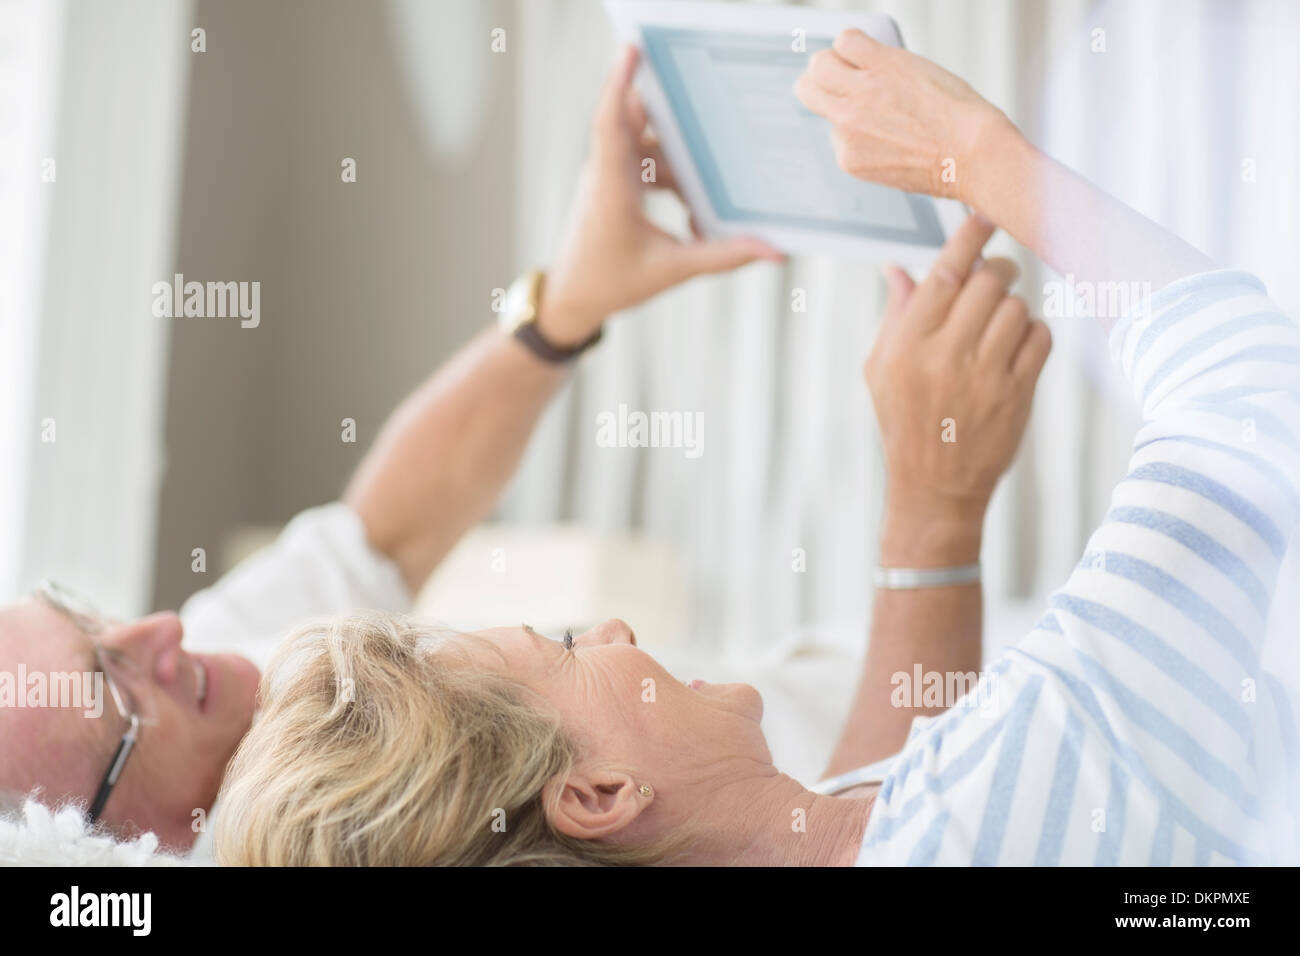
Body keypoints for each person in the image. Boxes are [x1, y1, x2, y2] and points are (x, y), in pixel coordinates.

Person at [214, 32, 1299, 866]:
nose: (617, 624)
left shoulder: (863, 823)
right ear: (597, 793)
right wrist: (980, 155)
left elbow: (886, 778)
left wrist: (936, 507)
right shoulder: (984, 804)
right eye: (564, 641)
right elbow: (1251, 394)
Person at [0, 47, 783, 852]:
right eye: (114, 692)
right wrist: (919, 555)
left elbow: (385, 529)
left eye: (92, 622)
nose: (160, 632)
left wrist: (568, 302)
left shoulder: (226, 658)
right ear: (103, 847)